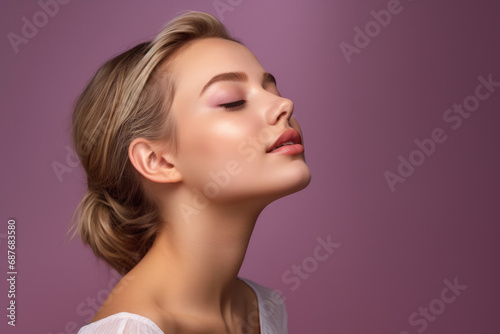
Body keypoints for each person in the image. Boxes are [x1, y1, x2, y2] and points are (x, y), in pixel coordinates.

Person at [71, 10, 311, 334]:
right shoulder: (131, 330)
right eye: (233, 101)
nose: (284, 104)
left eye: (272, 88)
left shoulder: (262, 308)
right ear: (159, 161)